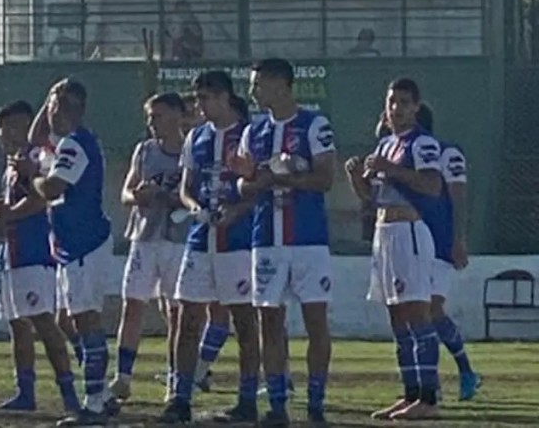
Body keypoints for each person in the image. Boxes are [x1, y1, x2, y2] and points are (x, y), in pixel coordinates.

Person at [231, 58, 335, 426]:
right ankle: (277, 404)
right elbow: (241, 183)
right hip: (266, 239)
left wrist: (286, 178)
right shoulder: (253, 132)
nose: (253, 92)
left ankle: (316, 404)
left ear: (281, 84)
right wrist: (254, 182)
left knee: (315, 321)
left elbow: (325, 179)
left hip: (308, 239)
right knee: (269, 320)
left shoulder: (314, 125)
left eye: (258, 85)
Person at [159, 71, 258, 424]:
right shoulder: (196, 137)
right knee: (188, 318)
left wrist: (237, 210)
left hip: (240, 241)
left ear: (224, 97)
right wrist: (195, 208)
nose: (199, 106)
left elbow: (260, 186)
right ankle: (179, 396)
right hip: (200, 239)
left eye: (205, 98)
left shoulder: (249, 134)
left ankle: (248, 398)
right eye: (198, 98)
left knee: (244, 321)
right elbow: (187, 188)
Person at [346, 78, 442, 421]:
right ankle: (410, 392)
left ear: (415, 107)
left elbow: (432, 185)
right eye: (391, 102)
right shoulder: (385, 145)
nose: (396, 109)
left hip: (409, 231)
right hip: (384, 231)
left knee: (417, 312)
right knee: (397, 316)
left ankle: (429, 397)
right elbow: (373, 198)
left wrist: (393, 170)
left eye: (403, 102)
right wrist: (357, 178)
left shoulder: (422, 143)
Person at [375, 104, 481, 401]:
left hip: (436, 241)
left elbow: (458, 197)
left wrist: (459, 239)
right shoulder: (392, 153)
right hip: (408, 241)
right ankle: (423, 386)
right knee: (407, 313)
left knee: (430, 310)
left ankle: (459, 374)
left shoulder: (446, 153)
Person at [0, 100, 81, 414]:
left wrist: (8, 214)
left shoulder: (39, 158)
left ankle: (70, 393)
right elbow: (12, 210)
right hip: (10, 255)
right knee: (18, 324)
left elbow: (43, 200)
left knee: (43, 322)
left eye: (9, 127)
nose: (2, 134)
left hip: (34, 252)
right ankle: (25, 392)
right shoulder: (11, 167)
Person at [30, 79, 115, 426]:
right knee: (67, 320)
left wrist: (33, 177)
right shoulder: (64, 141)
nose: (48, 113)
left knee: (85, 319)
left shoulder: (75, 144)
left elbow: (51, 188)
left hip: (84, 242)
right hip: (70, 244)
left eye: (53, 106)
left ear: (68, 110)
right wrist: (49, 96)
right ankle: (101, 392)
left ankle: (94, 403)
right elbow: (36, 137)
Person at [108, 93, 188, 403]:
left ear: (177, 115)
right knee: (133, 305)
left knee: (176, 312)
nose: (153, 122)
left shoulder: (191, 151)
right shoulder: (144, 151)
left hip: (177, 239)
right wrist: (138, 196)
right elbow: (126, 192)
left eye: (159, 116)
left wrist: (169, 197)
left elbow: (194, 195)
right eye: (150, 117)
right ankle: (123, 377)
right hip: (144, 237)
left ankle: (175, 380)